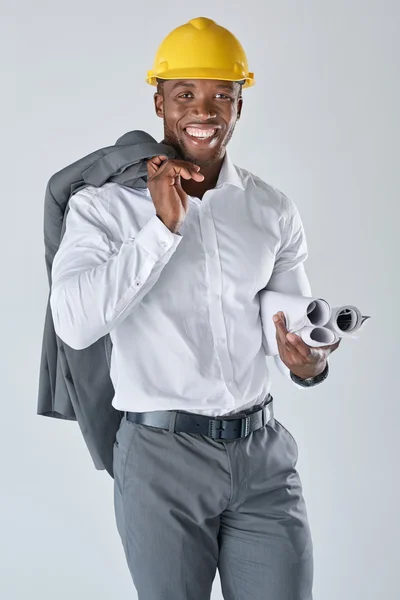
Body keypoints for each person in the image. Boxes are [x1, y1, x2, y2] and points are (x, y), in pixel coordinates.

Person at [50, 16, 340, 600]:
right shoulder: (104, 208)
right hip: (161, 458)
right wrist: (161, 228)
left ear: (239, 106)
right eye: (185, 95)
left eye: (221, 97)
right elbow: (75, 324)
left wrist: (308, 363)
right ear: (159, 101)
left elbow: (290, 322)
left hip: (263, 460)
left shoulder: (270, 209)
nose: (203, 112)